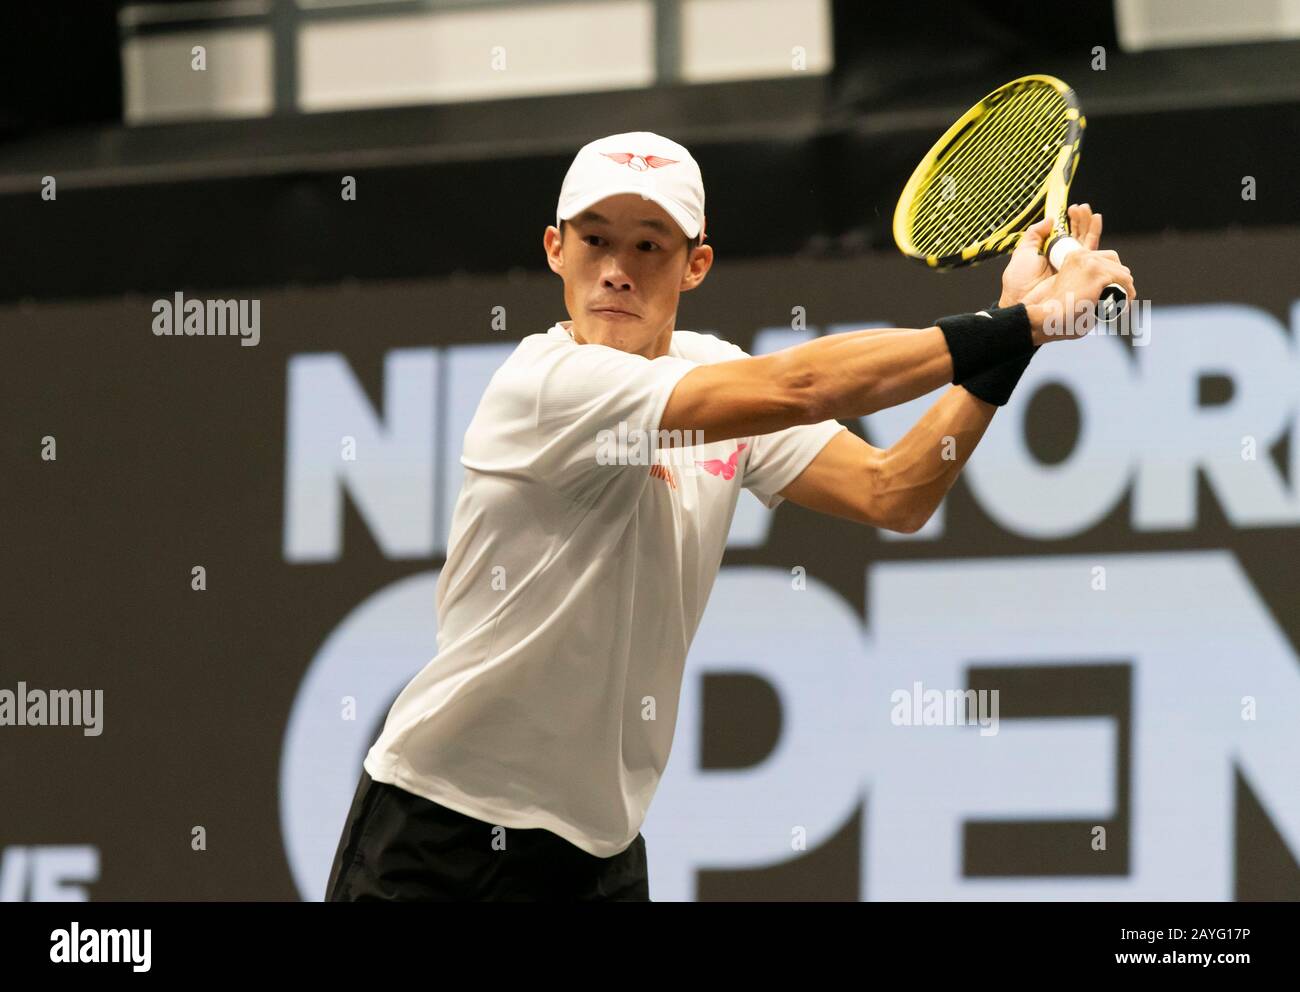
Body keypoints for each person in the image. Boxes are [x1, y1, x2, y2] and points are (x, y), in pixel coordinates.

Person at [325, 130, 1135, 901]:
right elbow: (801, 387)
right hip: (438, 835)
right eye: (596, 240)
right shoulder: (547, 386)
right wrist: (1023, 320)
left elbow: (896, 491)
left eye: (650, 245)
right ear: (555, 250)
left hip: (596, 853)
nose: (617, 269)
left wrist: (1017, 342)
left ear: (695, 265)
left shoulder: (710, 371)